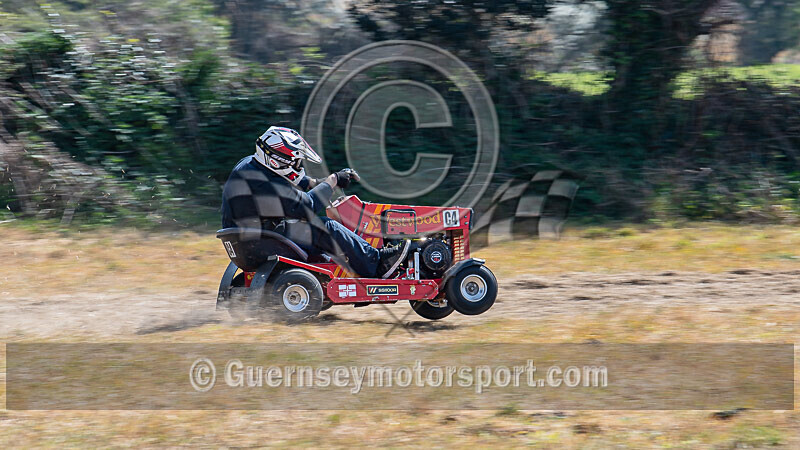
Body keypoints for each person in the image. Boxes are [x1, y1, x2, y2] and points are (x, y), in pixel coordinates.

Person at [221, 126, 410, 278]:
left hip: (249, 239)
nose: (298, 166)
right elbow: (306, 207)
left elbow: (297, 181)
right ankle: (377, 264)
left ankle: (346, 261)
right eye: (295, 162)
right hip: (264, 241)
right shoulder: (267, 184)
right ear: (277, 161)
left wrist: (319, 183)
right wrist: (333, 180)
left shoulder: (250, 165)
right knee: (326, 226)